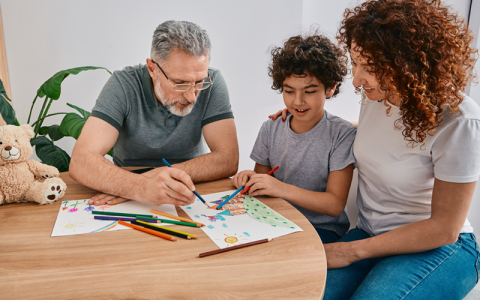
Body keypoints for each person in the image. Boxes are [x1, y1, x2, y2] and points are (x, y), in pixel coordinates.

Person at [271, 0, 480, 298]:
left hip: (439, 246)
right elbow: (380, 140)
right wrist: (303, 118)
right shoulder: (375, 96)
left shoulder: (459, 119)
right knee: (300, 293)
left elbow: (444, 228)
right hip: (371, 234)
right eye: (355, 62)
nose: (356, 79)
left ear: (405, 63)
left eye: (369, 67)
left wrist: (352, 251)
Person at [69, 20, 239, 207]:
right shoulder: (123, 85)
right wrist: (140, 186)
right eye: (180, 83)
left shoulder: (213, 81)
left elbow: (228, 158)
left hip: (190, 190)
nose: (192, 97)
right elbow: (81, 160)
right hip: (129, 196)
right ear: (152, 69)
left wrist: (155, 177)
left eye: (199, 82)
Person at [232, 33, 356, 244]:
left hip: (321, 230)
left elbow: (335, 204)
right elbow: (261, 185)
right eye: (289, 91)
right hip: (274, 221)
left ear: (331, 87)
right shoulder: (270, 128)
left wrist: (281, 188)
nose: (297, 101)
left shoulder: (341, 134)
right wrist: (248, 179)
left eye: (309, 91)